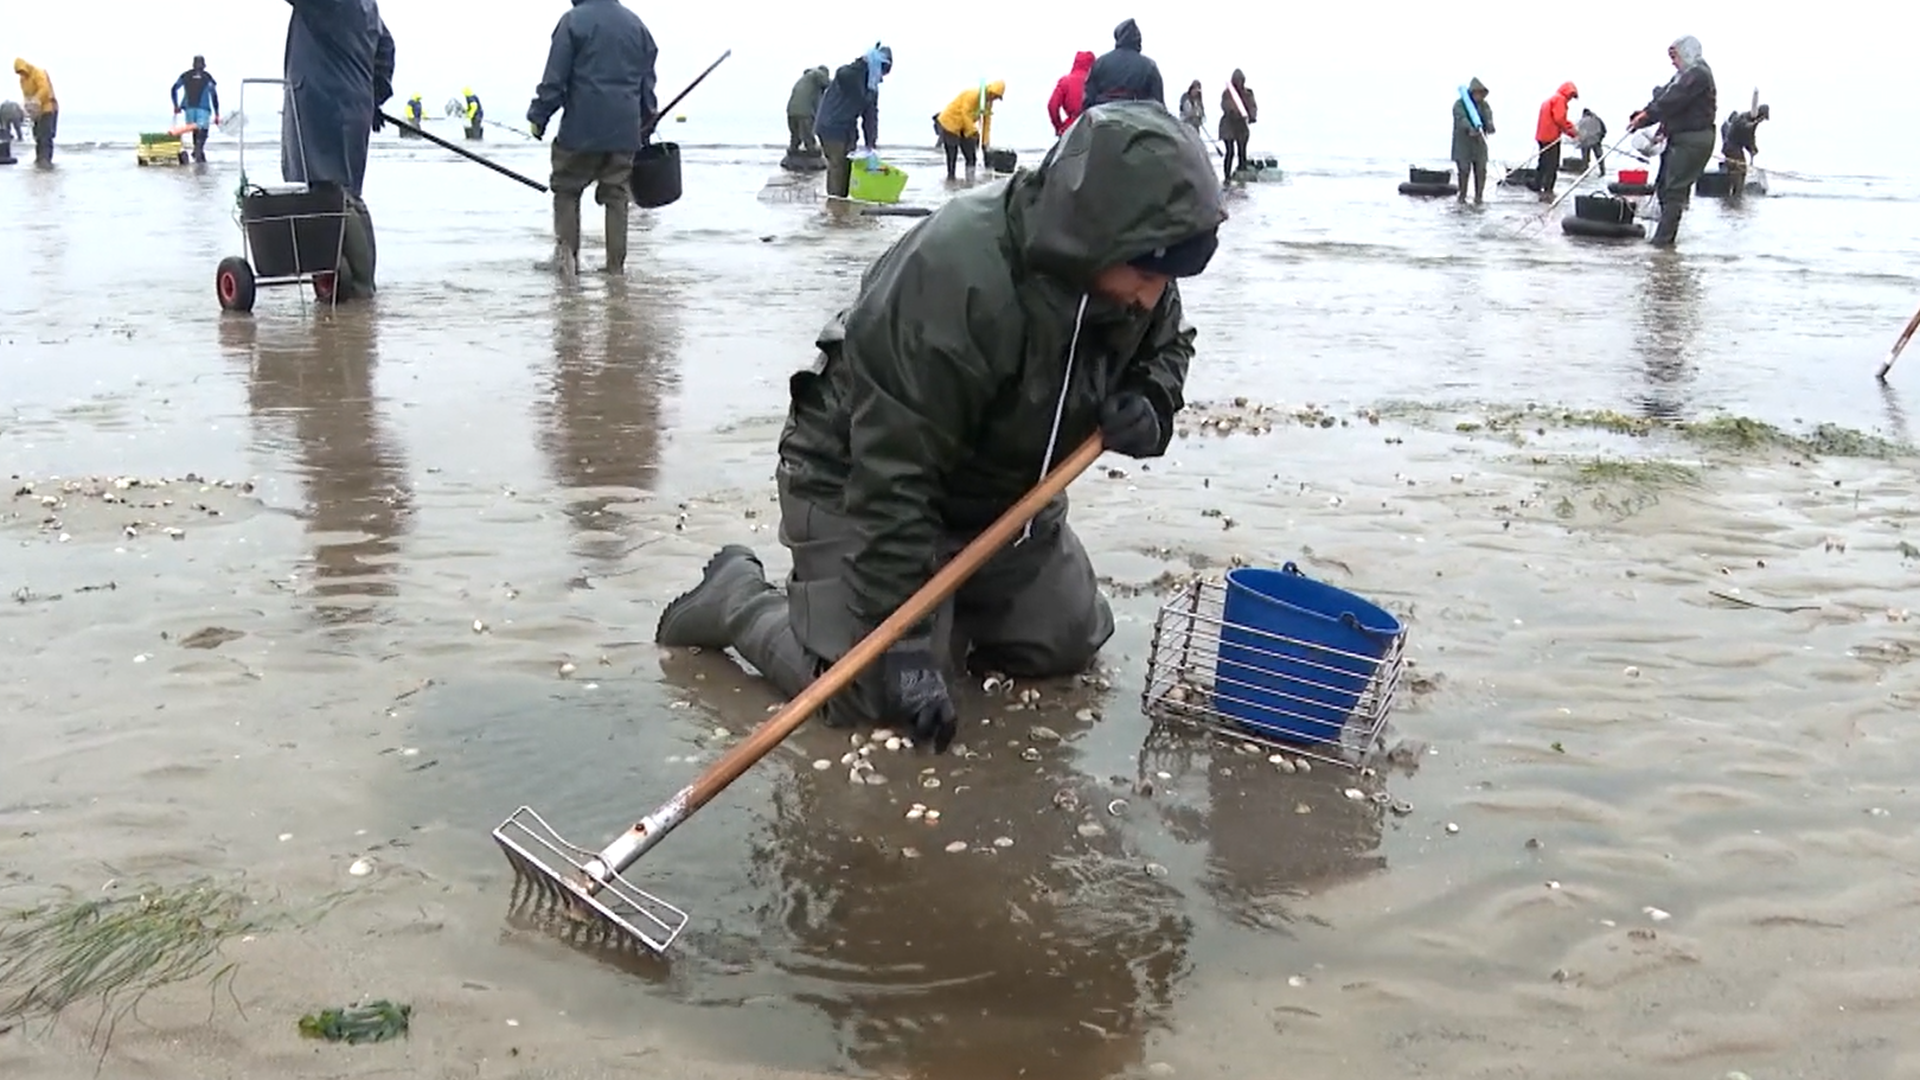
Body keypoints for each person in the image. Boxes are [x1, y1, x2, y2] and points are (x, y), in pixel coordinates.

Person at [653, 102, 1224, 751]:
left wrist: (1152, 399)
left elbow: (1167, 344)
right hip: (854, 478)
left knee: (1066, 642)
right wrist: (902, 646)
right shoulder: (956, 273)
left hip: (1002, 497)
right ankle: (737, 600)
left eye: (1167, 277)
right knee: (869, 695)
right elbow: (892, 476)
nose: (1153, 294)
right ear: (1097, 235)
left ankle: (952, 605)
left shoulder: (1137, 269)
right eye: (1148, 273)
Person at [528, 0, 658, 278]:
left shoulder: (573, 22)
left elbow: (554, 80)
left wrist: (539, 117)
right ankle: (615, 269)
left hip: (580, 129)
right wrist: (645, 122)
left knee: (566, 189)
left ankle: (566, 263)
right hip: (625, 131)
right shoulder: (637, 26)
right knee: (616, 195)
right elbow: (647, 87)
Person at [279, 1, 394, 300]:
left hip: (323, 104)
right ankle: (358, 284)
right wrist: (375, 93)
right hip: (354, 104)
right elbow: (386, 47)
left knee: (334, 194)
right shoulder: (366, 5)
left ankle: (360, 289)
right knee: (348, 193)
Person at [1629, 36, 1717, 247]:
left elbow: (1673, 99)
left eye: (1675, 56)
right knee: (1664, 186)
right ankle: (1664, 243)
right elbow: (1665, 99)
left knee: (1673, 191)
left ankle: (1663, 242)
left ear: (1687, 52)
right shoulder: (1682, 75)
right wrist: (1646, 116)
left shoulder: (1698, 74)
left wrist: (1649, 114)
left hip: (1693, 141)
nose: (1673, 61)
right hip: (1679, 137)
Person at [814, 43, 892, 200]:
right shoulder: (852, 74)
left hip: (848, 129)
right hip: (830, 125)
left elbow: (870, 117)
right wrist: (863, 64)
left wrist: (871, 144)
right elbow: (842, 73)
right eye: (881, 69)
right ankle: (835, 205)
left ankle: (842, 201)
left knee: (849, 166)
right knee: (838, 165)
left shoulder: (871, 87)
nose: (881, 75)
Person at [1081, 19, 1164, 108]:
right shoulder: (1149, 66)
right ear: (1138, 39)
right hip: (1138, 117)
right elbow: (1158, 104)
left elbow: (1088, 100)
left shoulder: (1100, 63)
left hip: (1104, 118)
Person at [933, 81, 1003, 182]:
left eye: (997, 97)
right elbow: (964, 113)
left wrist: (985, 143)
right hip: (950, 122)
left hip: (965, 126)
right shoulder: (973, 95)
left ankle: (970, 181)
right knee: (952, 155)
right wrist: (973, 131)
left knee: (971, 157)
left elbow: (986, 123)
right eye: (994, 95)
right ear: (989, 91)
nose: (993, 98)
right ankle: (951, 180)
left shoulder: (988, 104)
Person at [1532, 81, 1578, 200]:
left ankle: (1537, 185)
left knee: (1543, 163)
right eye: (1571, 96)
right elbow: (1559, 119)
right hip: (1551, 137)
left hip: (1542, 136)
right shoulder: (1560, 100)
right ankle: (1548, 190)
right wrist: (1571, 131)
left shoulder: (1551, 99)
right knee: (1552, 165)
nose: (1570, 99)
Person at [170, 56, 221, 163]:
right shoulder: (207, 77)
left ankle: (199, 154)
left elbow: (174, 89)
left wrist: (176, 106)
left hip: (189, 109)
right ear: (204, 65)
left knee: (195, 131)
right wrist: (217, 113)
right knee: (203, 132)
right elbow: (214, 95)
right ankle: (197, 151)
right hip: (203, 109)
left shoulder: (186, 76)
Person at [1452, 77, 1493, 205]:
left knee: (1481, 171)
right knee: (1464, 171)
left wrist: (1490, 126)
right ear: (1472, 93)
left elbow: (1488, 117)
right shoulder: (1459, 105)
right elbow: (1461, 119)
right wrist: (1470, 128)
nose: (1479, 96)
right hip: (1463, 145)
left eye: (1481, 93)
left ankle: (1479, 198)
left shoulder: (1484, 105)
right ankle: (1462, 197)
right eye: (1477, 93)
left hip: (1479, 145)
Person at [13, 59, 56, 165]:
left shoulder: (38, 73)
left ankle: (45, 160)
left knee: (45, 135)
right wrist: (28, 106)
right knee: (37, 135)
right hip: (36, 111)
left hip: (48, 108)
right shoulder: (23, 80)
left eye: (22, 71)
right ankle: (39, 159)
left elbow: (44, 89)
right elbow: (26, 94)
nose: (21, 74)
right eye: (19, 73)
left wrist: (36, 100)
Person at [1217, 69, 1256, 185]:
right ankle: (1227, 177)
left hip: (1242, 126)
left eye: (1241, 81)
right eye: (1238, 80)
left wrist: (1252, 116)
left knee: (1242, 151)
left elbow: (1252, 106)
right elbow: (1226, 105)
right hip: (1228, 126)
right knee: (1230, 152)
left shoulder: (1248, 93)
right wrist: (1234, 111)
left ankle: (1241, 175)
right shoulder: (1228, 93)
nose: (1240, 83)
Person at [1721, 103, 1768, 197]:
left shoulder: (1752, 122)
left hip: (1735, 147)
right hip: (1731, 147)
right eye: (1763, 118)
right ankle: (1736, 195)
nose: (1762, 121)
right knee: (1740, 170)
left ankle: (1735, 194)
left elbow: (1750, 137)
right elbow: (1744, 130)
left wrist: (1752, 148)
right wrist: (1753, 124)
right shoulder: (1744, 118)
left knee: (1738, 170)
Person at [1048, 51, 1095, 135]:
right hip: (1093, 128)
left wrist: (1059, 127)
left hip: (1071, 128)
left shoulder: (1065, 81)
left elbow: (1052, 106)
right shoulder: (1097, 81)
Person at [786, 65, 829, 156]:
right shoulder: (817, 76)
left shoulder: (804, 81)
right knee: (808, 137)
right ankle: (811, 155)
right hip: (805, 112)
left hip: (791, 111)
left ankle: (792, 153)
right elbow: (828, 84)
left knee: (795, 137)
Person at [1575, 107, 1607, 173]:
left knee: (1585, 159)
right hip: (1596, 141)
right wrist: (1600, 139)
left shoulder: (1581, 121)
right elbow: (1604, 130)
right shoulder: (1597, 119)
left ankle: (1585, 171)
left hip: (1585, 142)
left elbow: (1577, 132)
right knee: (1599, 157)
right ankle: (1602, 171)